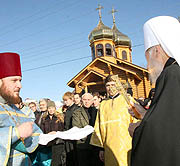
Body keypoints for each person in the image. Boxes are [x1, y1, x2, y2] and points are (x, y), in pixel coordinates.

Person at [129, 16, 180, 166]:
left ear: (157, 50)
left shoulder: (171, 74)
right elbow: (170, 120)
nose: (147, 64)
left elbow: (164, 134)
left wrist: (137, 131)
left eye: (147, 56)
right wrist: (144, 114)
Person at [0, 52, 42, 166]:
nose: (20, 85)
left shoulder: (17, 109)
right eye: (14, 80)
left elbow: (34, 134)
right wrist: (15, 132)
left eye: (20, 80)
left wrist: (48, 137)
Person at [90, 75, 134, 166]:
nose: (110, 88)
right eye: (108, 85)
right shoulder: (103, 105)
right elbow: (98, 127)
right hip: (108, 147)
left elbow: (137, 122)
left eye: (113, 85)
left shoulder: (128, 100)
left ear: (118, 85)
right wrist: (101, 148)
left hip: (127, 145)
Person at [72, 93, 97, 166]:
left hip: (96, 145)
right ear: (81, 100)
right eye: (84, 100)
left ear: (92, 101)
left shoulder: (97, 111)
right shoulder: (77, 112)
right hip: (83, 144)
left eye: (89, 100)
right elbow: (77, 127)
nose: (87, 101)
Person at [41, 100, 65, 166]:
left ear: (55, 108)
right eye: (49, 108)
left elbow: (64, 130)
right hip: (48, 144)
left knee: (56, 162)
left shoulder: (60, 117)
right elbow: (42, 131)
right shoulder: (44, 119)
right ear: (47, 109)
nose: (51, 110)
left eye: (52, 108)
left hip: (58, 143)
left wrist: (56, 132)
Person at [63, 92, 79, 166]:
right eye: (64, 100)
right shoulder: (68, 110)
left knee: (74, 158)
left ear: (72, 99)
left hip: (74, 138)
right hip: (67, 137)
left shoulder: (76, 109)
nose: (65, 102)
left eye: (66, 100)